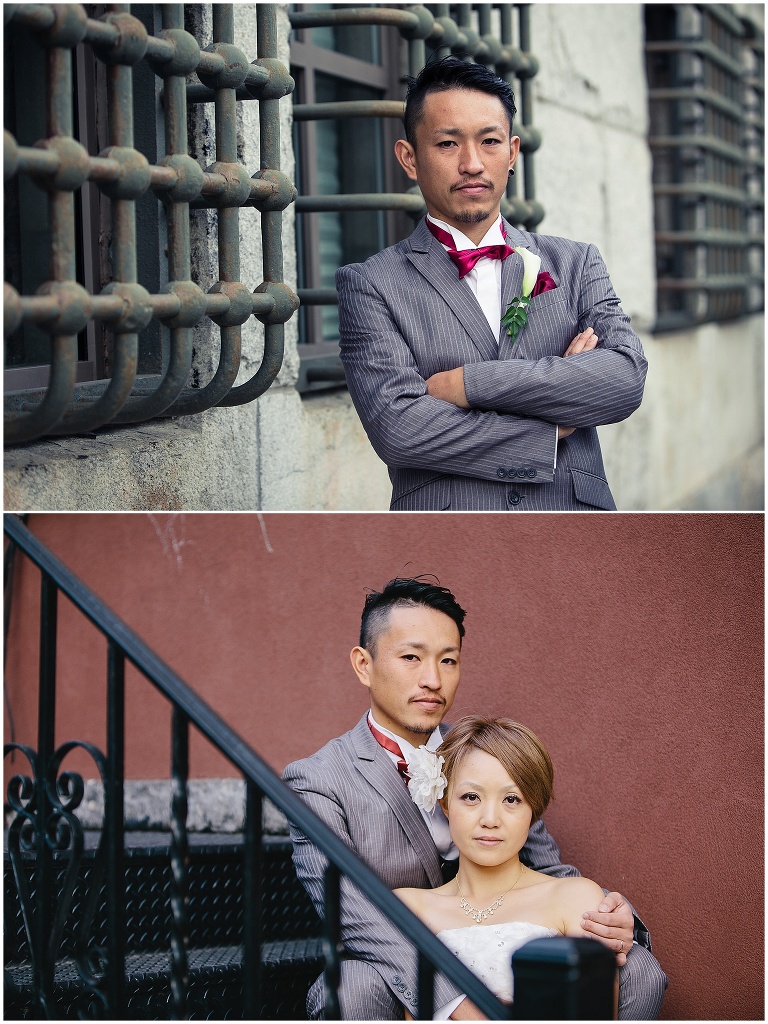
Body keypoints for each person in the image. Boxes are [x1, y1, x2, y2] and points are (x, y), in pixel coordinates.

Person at [283, 577, 667, 1020]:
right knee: (352, 987)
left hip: (507, 924)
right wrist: (458, 1001)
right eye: (411, 657)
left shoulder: (486, 758)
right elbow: (352, 913)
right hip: (395, 955)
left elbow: (548, 871)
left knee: (638, 968)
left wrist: (616, 919)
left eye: (448, 661)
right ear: (364, 665)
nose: (432, 679)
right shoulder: (319, 779)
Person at [336, 57, 647, 511]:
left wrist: (469, 384)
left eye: (490, 141)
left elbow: (623, 379)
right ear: (410, 158)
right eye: (447, 143)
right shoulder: (371, 285)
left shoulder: (576, 263)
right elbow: (399, 429)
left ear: (513, 152)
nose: (472, 163)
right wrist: (551, 426)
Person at [395, 715, 618, 1017]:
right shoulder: (408, 907)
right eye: (471, 797)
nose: (490, 819)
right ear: (445, 803)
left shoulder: (575, 898)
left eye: (511, 799)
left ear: (533, 810)